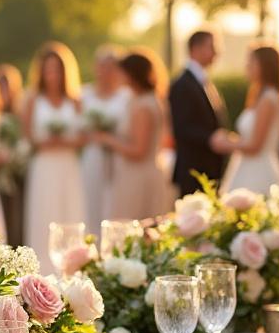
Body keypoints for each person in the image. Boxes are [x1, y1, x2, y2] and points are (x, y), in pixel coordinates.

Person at [21, 41, 86, 274]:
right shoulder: (32, 99)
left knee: (70, 214)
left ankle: (72, 270)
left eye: (56, 69)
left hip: (68, 165)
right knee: (43, 217)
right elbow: (27, 135)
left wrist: (66, 142)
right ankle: (40, 274)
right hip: (45, 166)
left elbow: (84, 136)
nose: (52, 74)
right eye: (47, 69)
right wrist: (44, 142)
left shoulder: (76, 100)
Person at [91, 47, 171, 220]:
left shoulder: (143, 106)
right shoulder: (143, 100)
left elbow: (138, 151)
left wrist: (107, 139)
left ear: (131, 74)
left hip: (137, 177)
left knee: (131, 228)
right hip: (135, 173)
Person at [219, 45, 279, 194]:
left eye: (251, 62)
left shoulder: (268, 99)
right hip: (248, 168)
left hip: (258, 172)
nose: (247, 66)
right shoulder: (262, 96)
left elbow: (255, 146)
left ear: (264, 66)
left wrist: (226, 143)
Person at [167, 30, 226, 195]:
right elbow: (181, 127)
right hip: (192, 170)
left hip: (209, 170)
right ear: (195, 49)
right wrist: (210, 138)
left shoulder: (205, 82)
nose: (217, 52)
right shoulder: (182, 84)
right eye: (212, 46)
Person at [79, 46, 129, 227]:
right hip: (92, 157)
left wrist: (110, 139)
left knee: (116, 207)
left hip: (120, 158)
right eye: (103, 66)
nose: (106, 72)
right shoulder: (83, 94)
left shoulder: (127, 96)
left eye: (111, 67)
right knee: (90, 203)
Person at [0, 62, 27, 244]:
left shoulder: (19, 117)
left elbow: (25, 144)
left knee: (14, 223)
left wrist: (13, 157)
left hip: (14, 179)